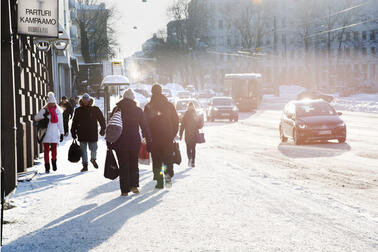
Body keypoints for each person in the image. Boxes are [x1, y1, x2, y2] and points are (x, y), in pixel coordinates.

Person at [109, 89, 152, 196]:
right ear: (133, 98)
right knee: (134, 164)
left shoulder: (116, 109)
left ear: (123, 97)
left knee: (123, 166)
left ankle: (124, 191)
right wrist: (148, 139)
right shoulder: (138, 110)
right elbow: (145, 127)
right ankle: (134, 186)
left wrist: (109, 142)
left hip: (119, 142)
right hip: (134, 142)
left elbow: (111, 126)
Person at [144, 84, 179, 189]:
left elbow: (145, 123)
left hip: (154, 138)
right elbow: (176, 121)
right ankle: (168, 179)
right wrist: (172, 133)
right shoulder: (169, 105)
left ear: (152, 92)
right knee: (168, 158)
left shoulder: (149, 106)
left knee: (157, 160)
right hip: (167, 137)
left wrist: (147, 136)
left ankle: (159, 182)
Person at [71, 93, 106, 172]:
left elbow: (101, 119)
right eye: (84, 100)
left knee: (94, 148)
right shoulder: (78, 110)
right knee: (83, 150)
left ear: (90, 100)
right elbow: (74, 122)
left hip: (92, 132)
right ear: (81, 101)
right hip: (81, 133)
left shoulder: (95, 109)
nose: (85, 101)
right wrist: (73, 131)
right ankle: (85, 165)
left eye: (86, 99)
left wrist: (103, 129)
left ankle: (93, 159)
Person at [35, 92, 64, 173]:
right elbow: (36, 117)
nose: (52, 105)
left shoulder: (58, 111)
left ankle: (54, 163)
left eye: (53, 103)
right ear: (48, 103)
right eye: (50, 103)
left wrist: (62, 133)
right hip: (46, 133)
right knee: (46, 151)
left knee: (54, 150)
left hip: (54, 133)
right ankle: (47, 166)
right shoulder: (44, 110)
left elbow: (60, 123)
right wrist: (43, 116)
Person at [179, 102, 203, 167]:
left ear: (188, 107)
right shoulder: (195, 113)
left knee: (188, 147)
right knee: (193, 148)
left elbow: (182, 125)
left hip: (188, 134)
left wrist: (180, 134)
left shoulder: (186, 114)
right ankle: (193, 162)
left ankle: (190, 159)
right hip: (194, 133)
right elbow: (199, 125)